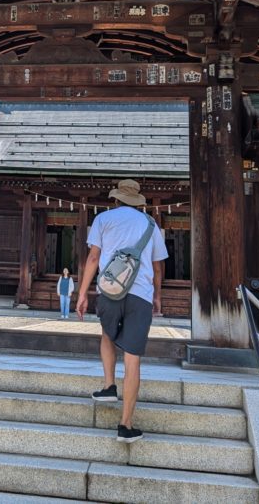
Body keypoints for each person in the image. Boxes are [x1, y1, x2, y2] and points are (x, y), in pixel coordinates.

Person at [76, 179, 167, 444]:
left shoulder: (103, 219)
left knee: (107, 334)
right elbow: (157, 267)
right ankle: (126, 425)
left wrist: (82, 293)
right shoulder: (150, 224)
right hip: (141, 296)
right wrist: (157, 296)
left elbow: (93, 258)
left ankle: (108, 386)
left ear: (116, 199)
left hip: (110, 291)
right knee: (132, 359)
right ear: (138, 202)